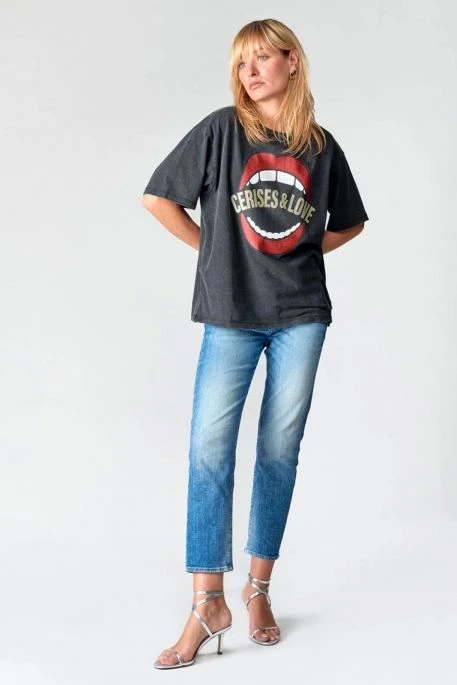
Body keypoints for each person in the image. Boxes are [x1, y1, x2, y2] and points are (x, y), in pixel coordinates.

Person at [142, 18, 369, 670]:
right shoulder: (221, 130)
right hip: (231, 311)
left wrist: (298, 251)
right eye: (241, 63)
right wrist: (214, 252)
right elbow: (157, 198)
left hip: (300, 313)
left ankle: (257, 589)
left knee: (278, 450)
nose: (250, 72)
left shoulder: (320, 147)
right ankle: (206, 602)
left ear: (291, 61)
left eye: (262, 59)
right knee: (208, 449)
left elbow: (350, 222)